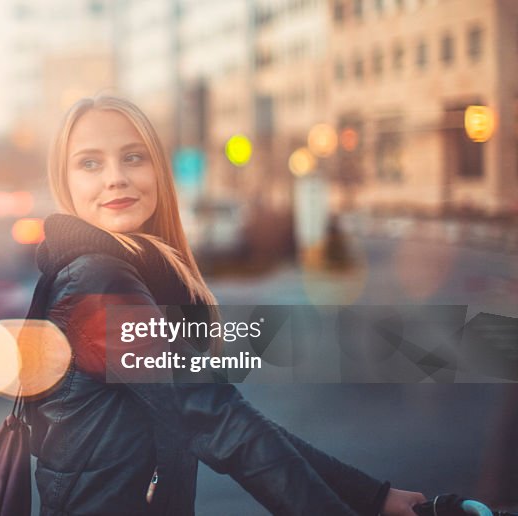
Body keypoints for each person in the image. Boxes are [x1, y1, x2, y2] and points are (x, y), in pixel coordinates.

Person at [22, 94, 426, 515]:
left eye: (133, 157)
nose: (116, 177)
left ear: (159, 170)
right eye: (90, 163)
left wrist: (370, 497)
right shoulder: (96, 282)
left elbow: (229, 415)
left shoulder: (135, 276)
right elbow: (215, 418)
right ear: (63, 182)